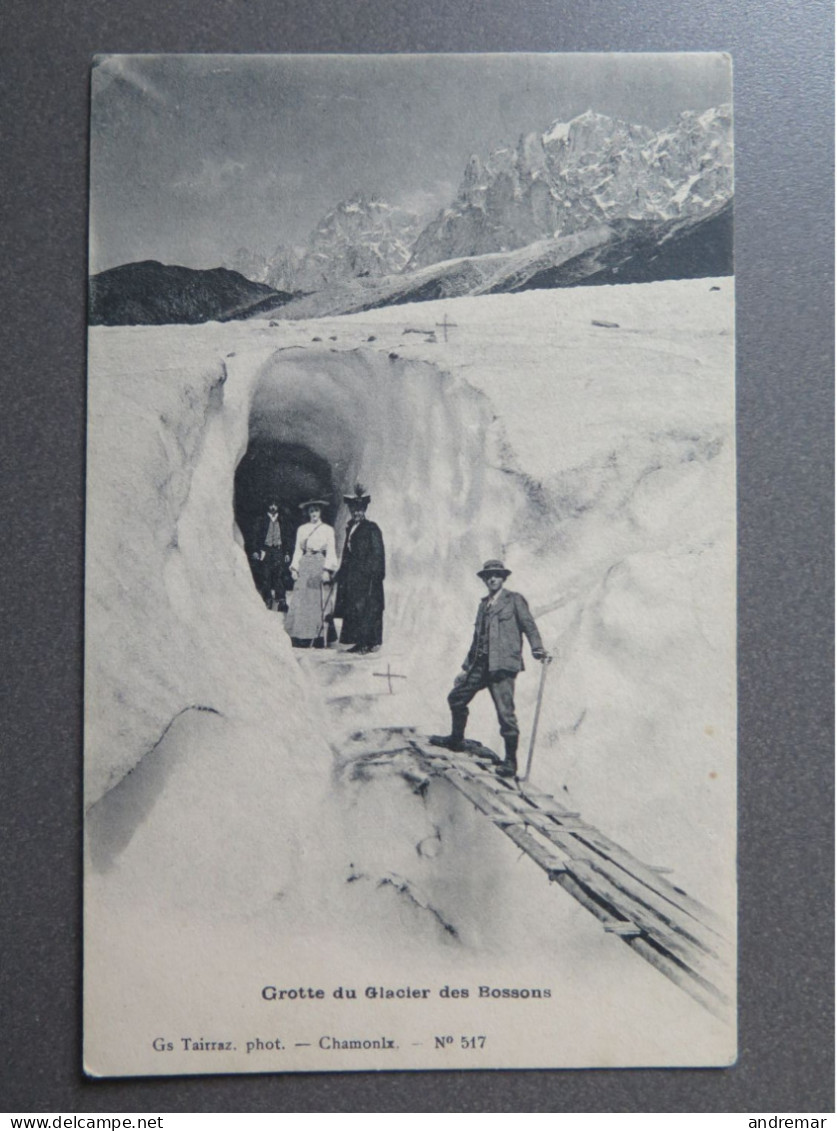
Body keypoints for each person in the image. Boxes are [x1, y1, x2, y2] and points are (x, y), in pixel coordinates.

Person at [431, 560, 548, 778]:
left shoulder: (514, 600)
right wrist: (466, 668)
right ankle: (456, 739)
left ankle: (510, 762)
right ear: (485, 580)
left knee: (506, 715)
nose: (492, 579)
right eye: (488, 576)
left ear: (503, 578)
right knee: (456, 698)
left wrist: (537, 648)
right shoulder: (483, 605)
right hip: (481, 665)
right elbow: (477, 639)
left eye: (496, 575)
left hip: (502, 666)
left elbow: (529, 625)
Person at [333, 484, 386, 655]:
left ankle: (367, 643)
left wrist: (375, 573)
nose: (357, 513)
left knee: (367, 608)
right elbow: (347, 553)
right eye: (354, 510)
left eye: (360, 510)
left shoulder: (371, 528)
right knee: (355, 609)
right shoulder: (351, 528)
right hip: (353, 576)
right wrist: (342, 572)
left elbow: (378, 553)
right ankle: (359, 641)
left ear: (364, 510)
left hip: (367, 576)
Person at [284, 500, 339, 648]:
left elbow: (332, 551)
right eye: (311, 511)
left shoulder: (327, 530)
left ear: (321, 512)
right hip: (305, 563)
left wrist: (327, 570)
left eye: (316, 510)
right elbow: (297, 549)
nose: (314, 514)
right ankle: (300, 635)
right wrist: (294, 568)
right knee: (302, 598)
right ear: (307, 513)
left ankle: (318, 636)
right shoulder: (302, 529)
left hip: (319, 564)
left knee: (316, 599)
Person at [250, 500, 289, 611]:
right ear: (267, 506)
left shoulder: (281, 520)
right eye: (271, 504)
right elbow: (256, 536)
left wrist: (286, 552)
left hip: (278, 550)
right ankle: (267, 599)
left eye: (275, 504)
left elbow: (286, 537)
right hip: (266, 550)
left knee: (279, 575)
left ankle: (281, 600)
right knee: (266, 575)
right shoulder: (262, 519)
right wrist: (256, 550)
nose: (273, 507)